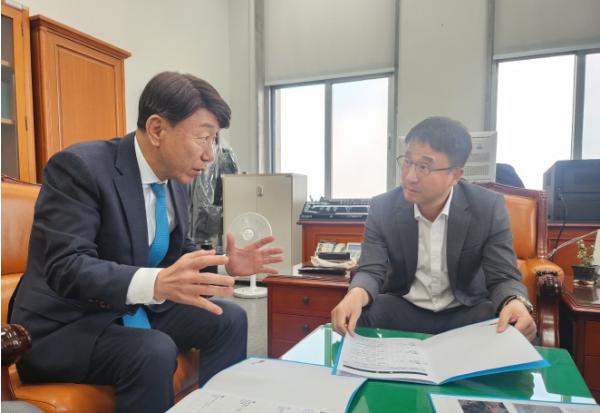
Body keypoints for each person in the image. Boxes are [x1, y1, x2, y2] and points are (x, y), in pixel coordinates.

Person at [9, 72, 283, 413]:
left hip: (129, 308)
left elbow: (175, 250)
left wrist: (225, 264)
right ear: (156, 129)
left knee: (229, 319)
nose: (210, 155)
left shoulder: (176, 181)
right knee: (152, 350)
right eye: (202, 138)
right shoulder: (80, 168)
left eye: (214, 140)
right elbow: (67, 266)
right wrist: (156, 283)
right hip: (66, 324)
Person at [331, 116, 536, 341]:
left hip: (465, 311)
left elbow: (503, 276)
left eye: (424, 167)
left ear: (455, 175)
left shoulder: (487, 207)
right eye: (407, 162)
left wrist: (514, 301)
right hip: (404, 308)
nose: (410, 176)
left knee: (514, 326)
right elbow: (371, 270)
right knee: (358, 318)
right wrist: (355, 294)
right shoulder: (383, 207)